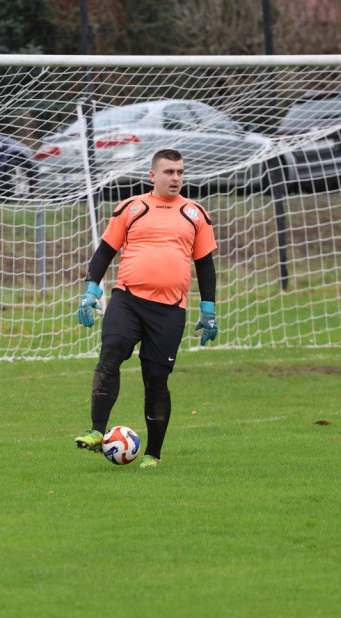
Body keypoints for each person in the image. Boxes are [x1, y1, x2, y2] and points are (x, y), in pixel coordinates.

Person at [74, 148, 218, 468]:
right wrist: (90, 291)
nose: (176, 177)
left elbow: (205, 266)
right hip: (128, 299)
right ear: (152, 175)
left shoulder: (195, 213)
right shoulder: (132, 207)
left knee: (155, 378)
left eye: (180, 172)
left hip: (169, 309)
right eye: (169, 172)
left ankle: (153, 454)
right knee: (112, 349)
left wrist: (208, 309)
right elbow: (105, 252)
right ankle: (97, 431)